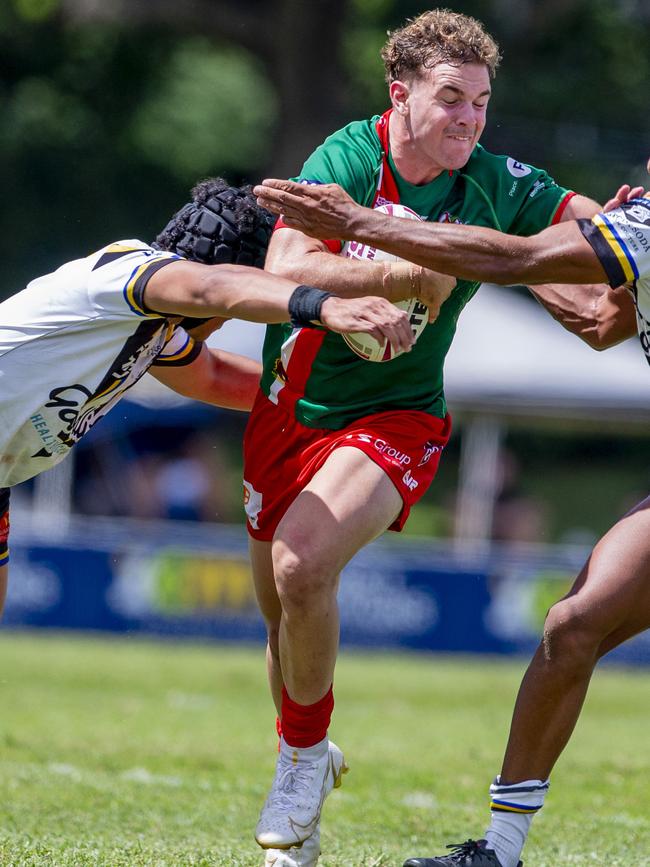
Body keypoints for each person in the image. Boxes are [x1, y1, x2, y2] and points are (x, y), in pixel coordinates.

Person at [244, 9, 607, 867]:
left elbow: (587, 221)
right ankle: (311, 754)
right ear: (400, 94)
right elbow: (285, 264)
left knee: (304, 562)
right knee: (285, 623)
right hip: (288, 410)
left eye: (481, 102)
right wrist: (399, 274)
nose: (469, 119)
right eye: (452, 98)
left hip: (399, 416)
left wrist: (623, 232)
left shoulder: (494, 178)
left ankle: (297, 764)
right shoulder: (347, 156)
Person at [0, 177, 416, 620]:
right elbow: (212, 287)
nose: (222, 325)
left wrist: (350, 403)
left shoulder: (152, 328)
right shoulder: (127, 275)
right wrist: (324, 305)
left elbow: (213, 377)